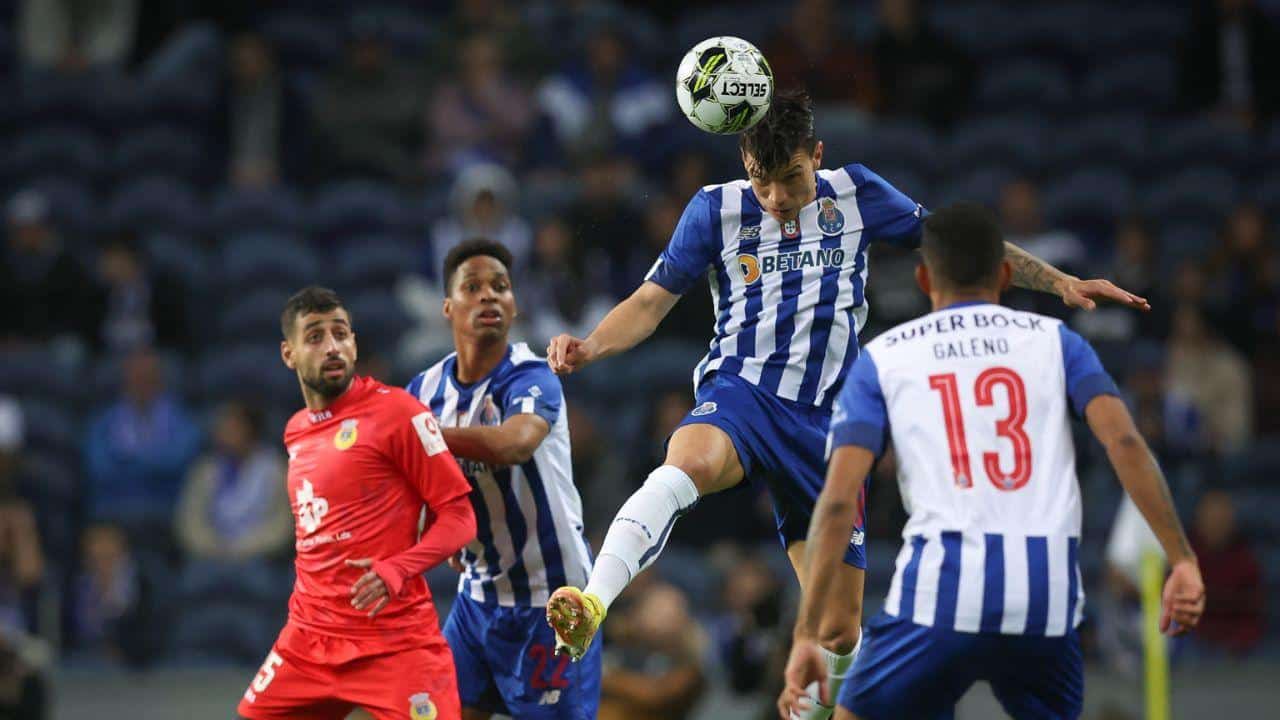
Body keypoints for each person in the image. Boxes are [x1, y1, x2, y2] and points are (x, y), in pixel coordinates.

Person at [543, 90, 1147, 719]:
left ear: (819, 156)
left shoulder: (856, 195)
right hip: (743, 392)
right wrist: (589, 348)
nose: (776, 198)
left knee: (838, 632)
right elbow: (648, 302)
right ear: (743, 162)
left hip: (830, 429)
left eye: (791, 179)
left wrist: (1061, 282)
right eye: (761, 182)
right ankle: (592, 603)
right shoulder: (713, 210)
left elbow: (955, 247)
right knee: (686, 463)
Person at [779, 205, 1205, 720]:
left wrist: (806, 633)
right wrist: (1181, 559)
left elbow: (840, 499)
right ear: (1005, 275)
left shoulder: (884, 357)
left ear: (922, 277)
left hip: (941, 595)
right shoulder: (1058, 343)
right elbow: (1128, 446)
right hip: (1044, 602)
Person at [236, 287, 476, 720]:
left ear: (354, 343)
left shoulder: (399, 414)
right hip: (308, 640)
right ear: (288, 354)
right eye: (314, 336)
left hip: (395, 642)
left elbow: (460, 517)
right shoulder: (295, 432)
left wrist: (397, 568)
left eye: (340, 334)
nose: (332, 346)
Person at [406, 240, 600, 720]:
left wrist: (423, 435)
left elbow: (515, 443)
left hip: (553, 598)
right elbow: (417, 477)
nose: (489, 296)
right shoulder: (424, 390)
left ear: (514, 305)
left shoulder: (532, 376)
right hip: (479, 597)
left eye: (501, 287)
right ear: (448, 307)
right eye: (473, 287)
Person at [174, 401, 292, 562]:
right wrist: (211, 545)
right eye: (223, 427)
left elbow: (282, 525)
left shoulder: (276, 470)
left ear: (251, 430)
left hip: (259, 557)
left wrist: (245, 547)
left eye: (233, 427)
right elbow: (190, 520)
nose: (224, 433)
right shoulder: (206, 470)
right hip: (210, 556)